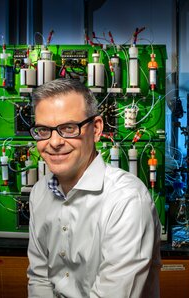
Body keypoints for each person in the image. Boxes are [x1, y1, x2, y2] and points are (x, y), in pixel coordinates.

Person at [27, 78, 161, 297]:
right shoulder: (39, 192)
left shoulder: (127, 200)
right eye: (43, 130)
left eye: (68, 128)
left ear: (96, 129)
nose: (54, 142)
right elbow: (39, 277)